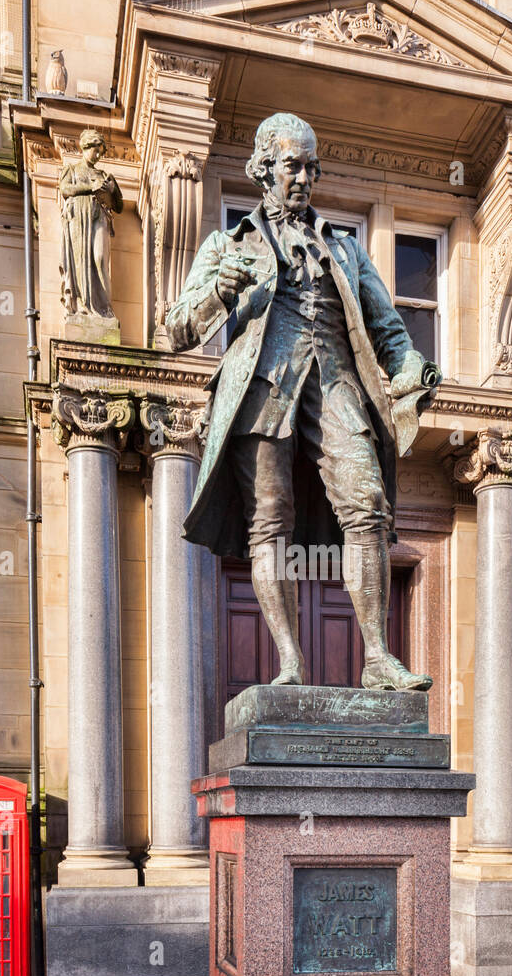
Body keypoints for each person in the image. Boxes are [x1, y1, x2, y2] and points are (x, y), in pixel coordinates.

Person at [166, 111, 439, 690]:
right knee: (270, 525)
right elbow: (178, 328)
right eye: (293, 165)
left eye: (312, 167)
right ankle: (290, 661)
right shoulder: (226, 244)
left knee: (367, 504)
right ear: (265, 169)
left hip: (337, 383)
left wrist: (410, 368)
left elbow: (388, 327)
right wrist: (220, 290)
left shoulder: (345, 249)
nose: (305, 177)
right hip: (263, 392)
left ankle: (376, 659)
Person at [59, 128, 123, 319]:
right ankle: (83, 305)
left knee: (100, 257)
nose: (98, 155)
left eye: (101, 152)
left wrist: (113, 190)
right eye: (96, 150)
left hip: (99, 215)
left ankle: (104, 309)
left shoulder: (103, 174)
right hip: (78, 216)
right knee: (80, 260)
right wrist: (90, 187)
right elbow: (65, 189)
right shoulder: (72, 170)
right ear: (86, 146)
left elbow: (118, 206)